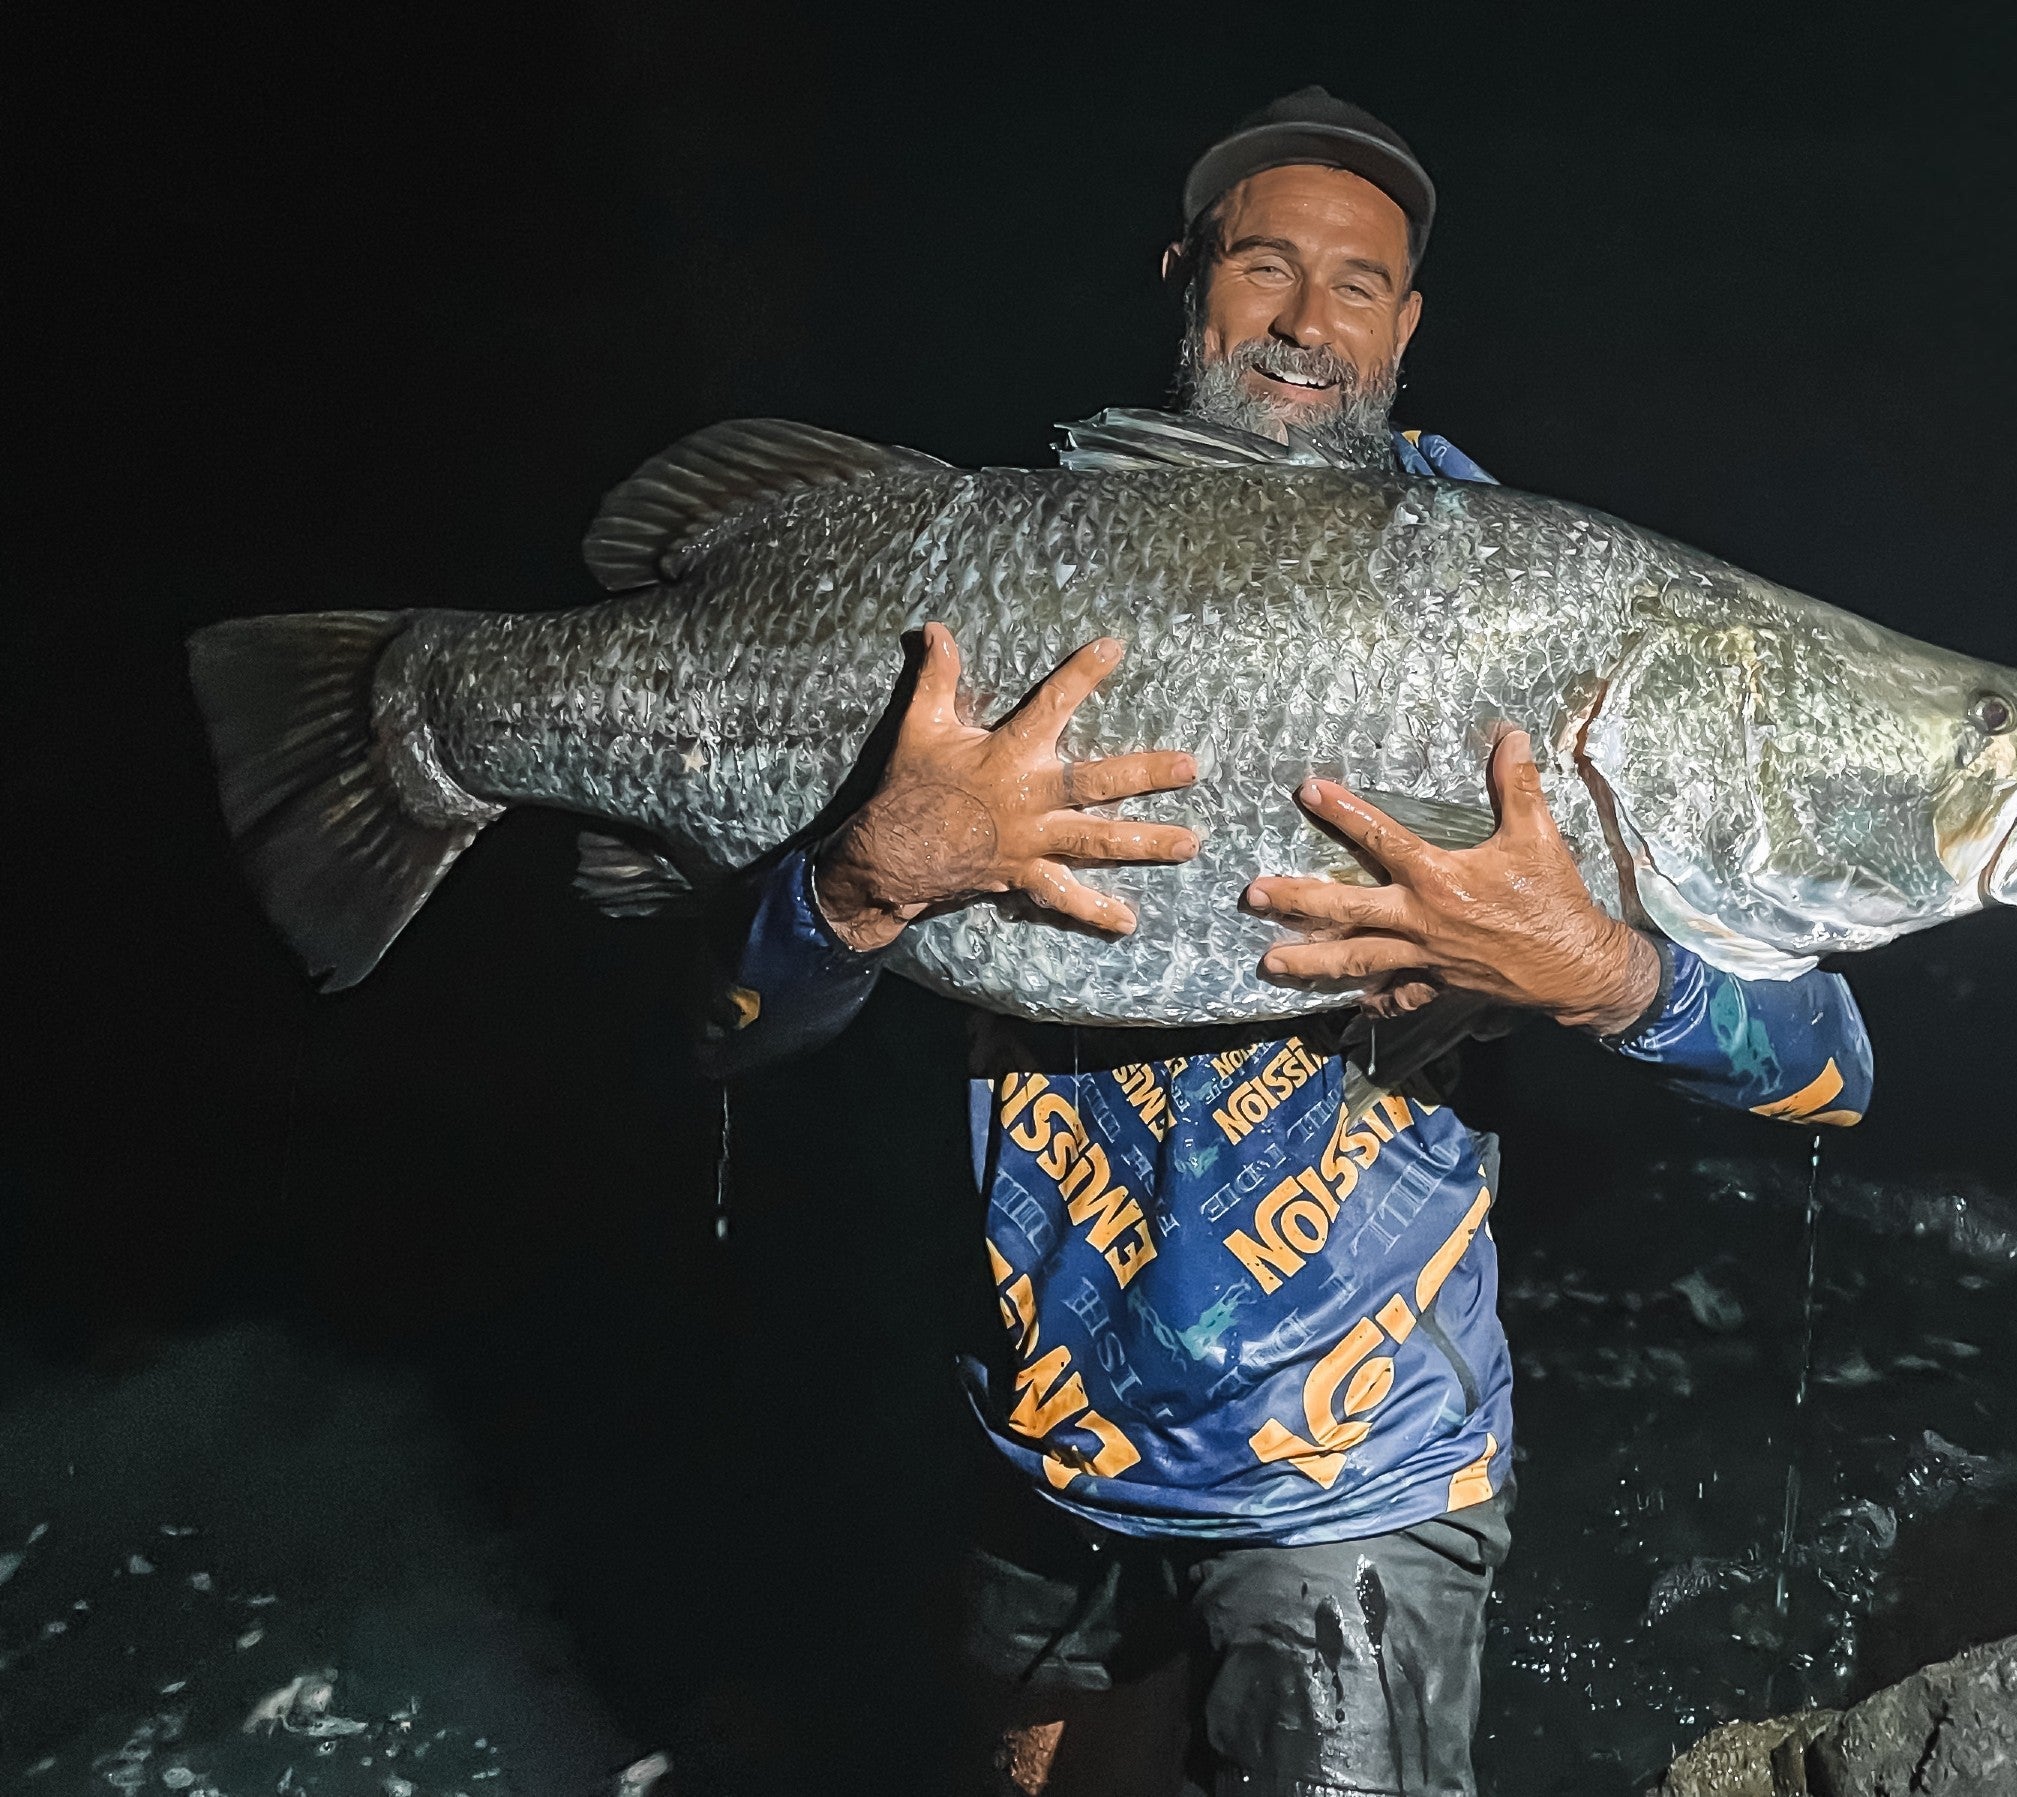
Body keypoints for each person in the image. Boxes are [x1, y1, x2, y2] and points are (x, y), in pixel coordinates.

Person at [705, 89, 1872, 1797]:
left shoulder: (1538, 613)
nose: (1306, 320)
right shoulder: (993, 569)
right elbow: (724, 1029)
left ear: (1407, 326)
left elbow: (1830, 1068)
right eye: (1265, 264)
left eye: (1357, 282)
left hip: (1354, 1475)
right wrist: (869, 882)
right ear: (1186, 282)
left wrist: (1607, 972)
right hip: (1043, 1434)